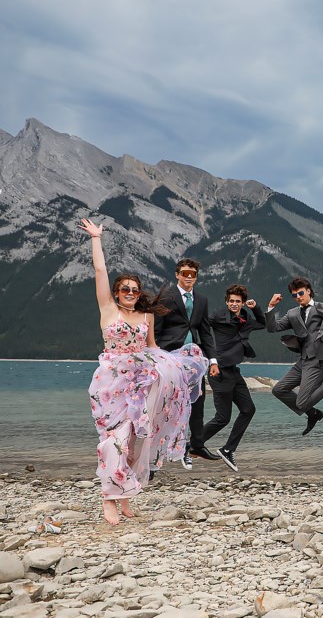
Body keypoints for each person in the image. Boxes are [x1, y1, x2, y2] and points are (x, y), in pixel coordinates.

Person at [80, 218, 208, 525]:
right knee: (113, 440)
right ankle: (109, 498)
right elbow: (99, 271)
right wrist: (96, 238)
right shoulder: (107, 309)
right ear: (117, 291)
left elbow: (152, 347)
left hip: (140, 385)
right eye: (125, 289)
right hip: (110, 383)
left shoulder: (147, 314)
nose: (130, 293)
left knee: (135, 441)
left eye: (135, 290)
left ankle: (123, 495)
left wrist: (174, 369)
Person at [153, 257, 219, 467]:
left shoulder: (201, 299)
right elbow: (156, 328)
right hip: (170, 357)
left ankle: (197, 445)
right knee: (166, 406)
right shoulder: (166, 296)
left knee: (198, 401)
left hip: (195, 361)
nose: (189, 277)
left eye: (193, 274)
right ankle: (156, 456)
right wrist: (155, 356)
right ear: (177, 274)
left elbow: (205, 332)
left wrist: (213, 360)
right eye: (185, 273)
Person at [266, 277, 323, 436]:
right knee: (278, 390)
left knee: (302, 403)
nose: (298, 297)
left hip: (320, 361)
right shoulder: (292, 313)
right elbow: (272, 328)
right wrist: (271, 306)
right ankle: (313, 414)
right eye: (294, 295)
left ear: (309, 290)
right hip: (303, 361)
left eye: (300, 293)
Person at [200, 284, 265, 472]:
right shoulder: (217, 316)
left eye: (238, 301)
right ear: (226, 302)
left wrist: (256, 308)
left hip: (234, 372)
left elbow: (262, 323)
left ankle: (228, 449)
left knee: (248, 409)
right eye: (231, 301)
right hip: (219, 371)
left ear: (242, 302)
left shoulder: (245, 318)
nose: (234, 304)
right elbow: (201, 326)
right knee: (222, 418)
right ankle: (192, 445)